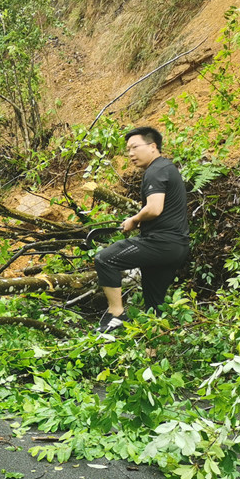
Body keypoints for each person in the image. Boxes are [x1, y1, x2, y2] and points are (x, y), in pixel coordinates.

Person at [93, 126, 190, 334]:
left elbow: (154, 209)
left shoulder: (156, 170)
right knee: (154, 307)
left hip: (161, 243)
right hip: (177, 246)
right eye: (128, 149)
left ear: (153, 146)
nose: (130, 154)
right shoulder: (167, 167)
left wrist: (135, 219)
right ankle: (155, 347)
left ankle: (116, 313)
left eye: (135, 147)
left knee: (105, 259)